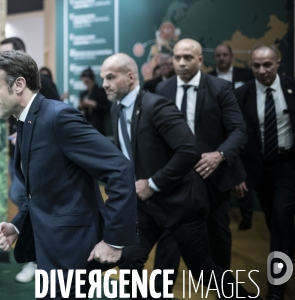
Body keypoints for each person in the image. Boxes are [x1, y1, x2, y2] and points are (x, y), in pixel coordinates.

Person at [101, 53, 257, 299]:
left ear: (130, 77)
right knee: (129, 260)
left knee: (204, 272)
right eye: (103, 78)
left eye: (110, 77)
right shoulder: (116, 108)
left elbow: (189, 151)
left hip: (180, 205)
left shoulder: (156, 105)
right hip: (146, 207)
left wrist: (152, 184)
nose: (105, 84)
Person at [0, 51, 138, 297]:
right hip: (50, 249)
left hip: (72, 251)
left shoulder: (58, 117)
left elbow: (120, 169)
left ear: (19, 85)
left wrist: (114, 240)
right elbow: (39, 191)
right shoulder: (25, 121)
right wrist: (18, 226)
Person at [154, 39, 247, 291]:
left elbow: (238, 130)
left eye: (188, 57)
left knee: (217, 237)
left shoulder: (220, 88)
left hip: (213, 179)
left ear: (200, 60)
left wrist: (219, 154)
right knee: (169, 241)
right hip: (174, 180)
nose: (182, 63)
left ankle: (224, 292)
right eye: (177, 58)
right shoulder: (161, 90)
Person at [235, 45, 295, 300]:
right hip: (260, 170)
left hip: (288, 165)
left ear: (278, 63)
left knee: (281, 219)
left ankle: (276, 288)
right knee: (275, 222)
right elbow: (234, 136)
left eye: (267, 64)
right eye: (256, 66)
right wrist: (237, 172)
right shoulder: (242, 95)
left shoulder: (292, 88)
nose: (262, 70)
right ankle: (286, 254)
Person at [0, 37, 60, 283]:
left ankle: (38, 258)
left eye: (5, 55)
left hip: (38, 158)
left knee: (26, 199)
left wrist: (29, 132)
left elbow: (57, 113)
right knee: (19, 196)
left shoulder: (42, 83)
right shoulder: (7, 86)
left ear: (21, 54)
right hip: (18, 155)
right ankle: (38, 256)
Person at [208, 44, 255, 230]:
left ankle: (247, 216)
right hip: (219, 138)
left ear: (231, 56)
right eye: (218, 55)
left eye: (224, 55)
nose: (221, 58)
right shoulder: (209, 77)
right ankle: (219, 217)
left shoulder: (246, 75)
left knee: (244, 178)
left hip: (242, 134)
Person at [78, 67, 110, 133]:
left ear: (92, 79)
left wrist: (95, 105)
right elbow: (79, 110)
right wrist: (81, 106)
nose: (86, 84)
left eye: (87, 82)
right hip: (85, 126)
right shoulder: (83, 94)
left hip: (98, 127)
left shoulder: (101, 92)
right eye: (84, 82)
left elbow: (108, 108)